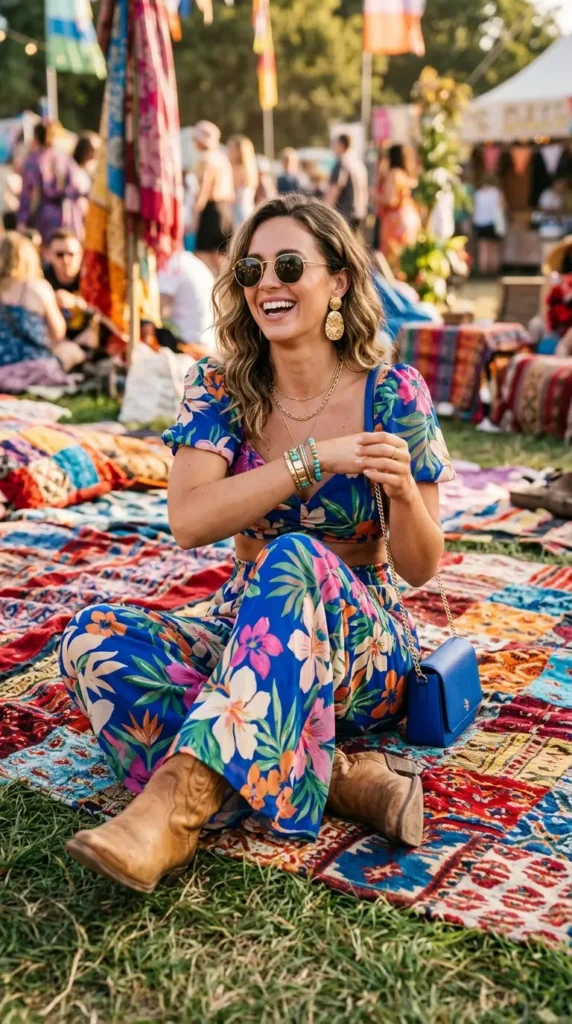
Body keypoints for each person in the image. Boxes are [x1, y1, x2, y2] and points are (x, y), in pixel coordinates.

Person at [60, 194, 455, 894]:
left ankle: (175, 809)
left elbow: (422, 567)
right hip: (244, 619)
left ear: (338, 280)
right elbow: (190, 521)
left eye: (290, 265)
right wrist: (311, 461)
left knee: (294, 556)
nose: (267, 282)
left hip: (362, 643)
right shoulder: (218, 386)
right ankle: (334, 776)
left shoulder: (394, 393)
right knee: (92, 639)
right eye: (251, 269)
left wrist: (400, 494)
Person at [0, 231, 84, 373]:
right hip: (35, 365)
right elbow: (58, 332)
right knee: (73, 350)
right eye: (59, 254)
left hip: (2, 366)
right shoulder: (38, 287)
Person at [17, 121, 84, 246]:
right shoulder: (65, 158)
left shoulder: (32, 161)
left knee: (47, 252)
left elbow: (26, 195)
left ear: (36, 137)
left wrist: (22, 221)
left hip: (42, 218)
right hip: (68, 215)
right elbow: (79, 187)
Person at [43, 228, 97, 350]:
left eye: (71, 254)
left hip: (88, 341)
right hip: (53, 343)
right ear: (49, 255)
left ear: (81, 254)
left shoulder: (92, 278)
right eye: (60, 255)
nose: (66, 260)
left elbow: (103, 312)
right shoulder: (41, 278)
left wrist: (75, 302)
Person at [193, 121, 235, 275]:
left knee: (204, 255)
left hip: (211, 210)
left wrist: (195, 211)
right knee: (220, 256)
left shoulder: (206, 160)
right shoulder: (222, 158)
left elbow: (204, 190)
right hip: (225, 209)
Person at [157, 248, 216, 354]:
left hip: (188, 344)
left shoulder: (172, 264)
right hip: (209, 343)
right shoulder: (192, 261)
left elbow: (162, 311)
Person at [377, 144, 421, 272]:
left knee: (393, 259)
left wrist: (374, 196)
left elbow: (390, 200)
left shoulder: (394, 173)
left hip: (395, 219)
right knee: (405, 256)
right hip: (410, 215)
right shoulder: (407, 174)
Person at [326, 134, 369, 232]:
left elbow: (334, 190)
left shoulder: (342, 163)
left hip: (344, 214)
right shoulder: (359, 164)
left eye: (334, 144)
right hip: (360, 212)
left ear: (340, 145)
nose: (332, 148)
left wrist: (322, 212)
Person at [472, 174, 506, 276]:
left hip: (479, 223)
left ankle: (483, 269)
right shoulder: (497, 193)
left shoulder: (478, 194)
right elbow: (503, 206)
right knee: (494, 248)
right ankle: (494, 270)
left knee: (483, 247)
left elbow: (474, 209)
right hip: (492, 222)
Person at [227, 135, 259, 228]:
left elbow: (231, 194)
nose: (228, 152)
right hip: (248, 209)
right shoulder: (250, 168)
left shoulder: (237, 170)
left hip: (237, 211)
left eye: (231, 149)